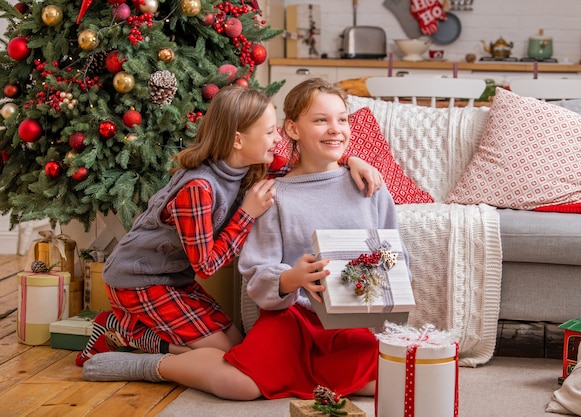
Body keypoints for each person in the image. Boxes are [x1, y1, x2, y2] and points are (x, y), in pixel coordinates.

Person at [81, 78, 408, 401]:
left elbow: (393, 261)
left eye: (342, 119)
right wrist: (290, 277)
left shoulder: (366, 187)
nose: (336, 128)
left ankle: (143, 345)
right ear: (292, 129)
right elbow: (243, 269)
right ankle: (146, 360)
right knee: (239, 380)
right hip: (154, 281)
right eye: (321, 120)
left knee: (392, 380)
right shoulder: (259, 191)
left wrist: (353, 160)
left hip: (341, 323)